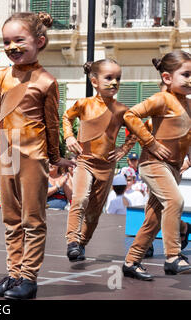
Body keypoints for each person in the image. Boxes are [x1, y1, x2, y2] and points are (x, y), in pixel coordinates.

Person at [0, 12, 74, 300]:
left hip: (33, 156)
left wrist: (55, 157)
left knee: (33, 219)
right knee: (10, 218)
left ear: (39, 41)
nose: (12, 46)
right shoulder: (0, 77)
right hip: (6, 155)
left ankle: (29, 277)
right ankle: (14, 273)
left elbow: (52, 124)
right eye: (6, 41)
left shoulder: (46, 81)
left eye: (19, 40)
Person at [122, 51, 191, 281]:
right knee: (174, 201)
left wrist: (188, 159)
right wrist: (150, 142)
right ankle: (173, 256)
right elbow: (130, 115)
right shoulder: (162, 99)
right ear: (167, 78)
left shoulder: (189, 105)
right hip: (153, 164)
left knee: (152, 220)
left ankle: (131, 262)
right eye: (186, 74)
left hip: (172, 168)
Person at [63, 59, 137, 263]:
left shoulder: (122, 110)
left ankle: (82, 244)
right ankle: (72, 241)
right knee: (80, 199)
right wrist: (69, 136)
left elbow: (137, 132)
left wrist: (124, 148)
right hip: (84, 161)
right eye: (109, 78)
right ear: (94, 81)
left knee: (95, 211)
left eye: (118, 79)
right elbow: (66, 118)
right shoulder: (83, 104)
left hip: (107, 166)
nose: (114, 83)